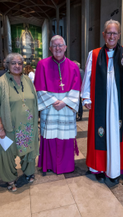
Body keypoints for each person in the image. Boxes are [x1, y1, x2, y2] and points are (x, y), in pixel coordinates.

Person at [81, 19, 123, 183]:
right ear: (103, 35)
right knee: (100, 132)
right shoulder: (93, 54)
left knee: (116, 132)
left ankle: (114, 168)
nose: (112, 36)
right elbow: (87, 76)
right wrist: (86, 96)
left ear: (120, 35)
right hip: (100, 101)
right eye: (109, 32)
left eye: (115, 33)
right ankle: (98, 167)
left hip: (118, 103)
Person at [0, 53, 39, 192]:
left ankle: (29, 172)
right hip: (9, 127)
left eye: (20, 63)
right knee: (7, 153)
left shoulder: (28, 81)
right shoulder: (1, 83)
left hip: (28, 126)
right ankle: (9, 178)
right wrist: (0, 128)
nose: (17, 66)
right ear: (8, 65)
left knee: (28, 151)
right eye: (13, 63)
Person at [34, 35, 81, 175]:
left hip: (65, 108)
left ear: (65, 47)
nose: (58, 48)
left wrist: (65, 102)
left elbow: (76, 88)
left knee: (65, 138)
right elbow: (39, 88)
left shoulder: (73, 66)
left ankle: (66, 166)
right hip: (50, 108)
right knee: (50, 136)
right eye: (54, 46)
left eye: (60, 45)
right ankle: (49, 164)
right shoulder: (42, 64)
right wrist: (54, 101)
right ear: (50, 48)